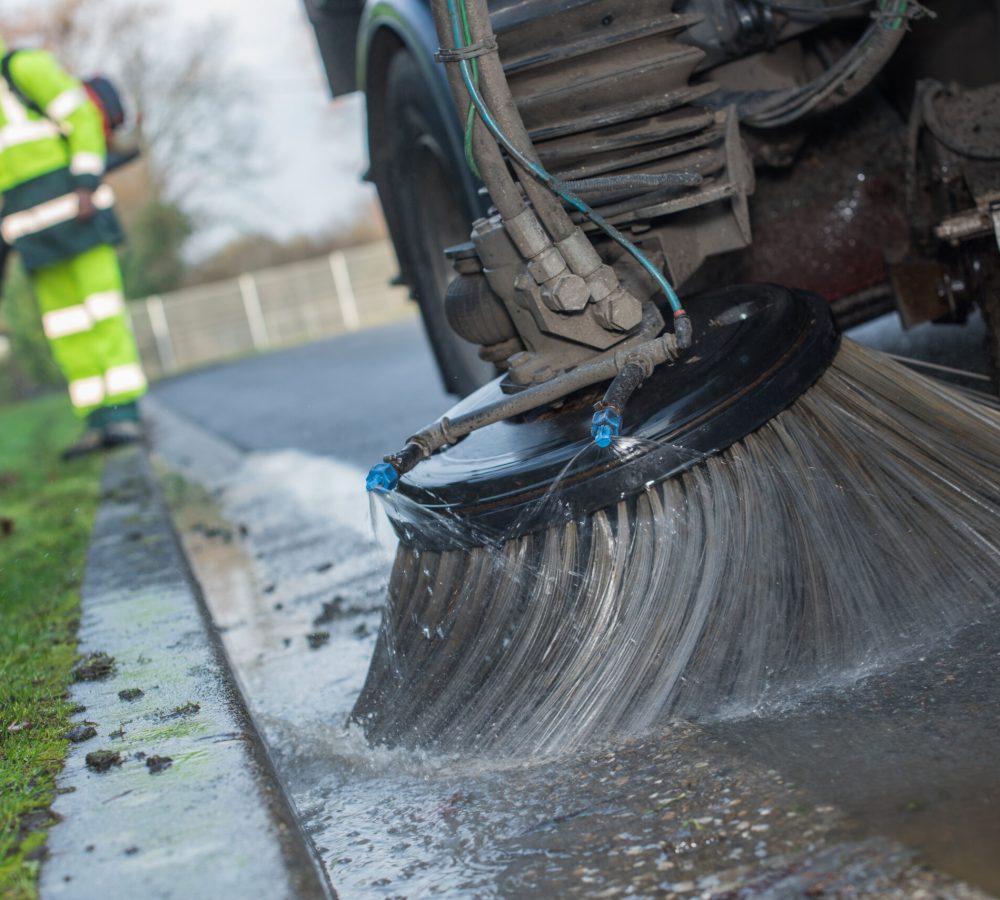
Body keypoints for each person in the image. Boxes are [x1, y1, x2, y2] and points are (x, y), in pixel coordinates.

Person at [0, 36, 146, 458]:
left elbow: (81, 116)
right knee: (64, 328)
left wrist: (85, 181)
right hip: (32, 232)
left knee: (102, 313)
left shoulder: (24, 68)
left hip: (78, 213)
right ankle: (97, 421)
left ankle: (124, 415)